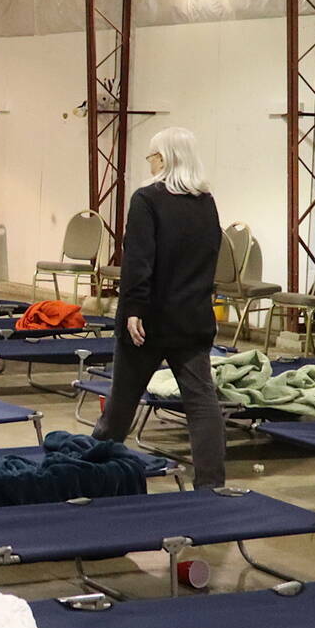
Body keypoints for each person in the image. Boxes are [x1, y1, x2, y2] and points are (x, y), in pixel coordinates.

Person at [89, 126, 227, 489]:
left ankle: (93, 471)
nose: (149, 163)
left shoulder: (146, 199)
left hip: (148, 321)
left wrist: (133, 308)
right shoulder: (206, 202)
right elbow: (209, 260)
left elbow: (139, 261)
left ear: (163, 158)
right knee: (201, 404)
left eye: (151, 156)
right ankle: (211, 484)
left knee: (121, 404)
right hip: (193, 319)